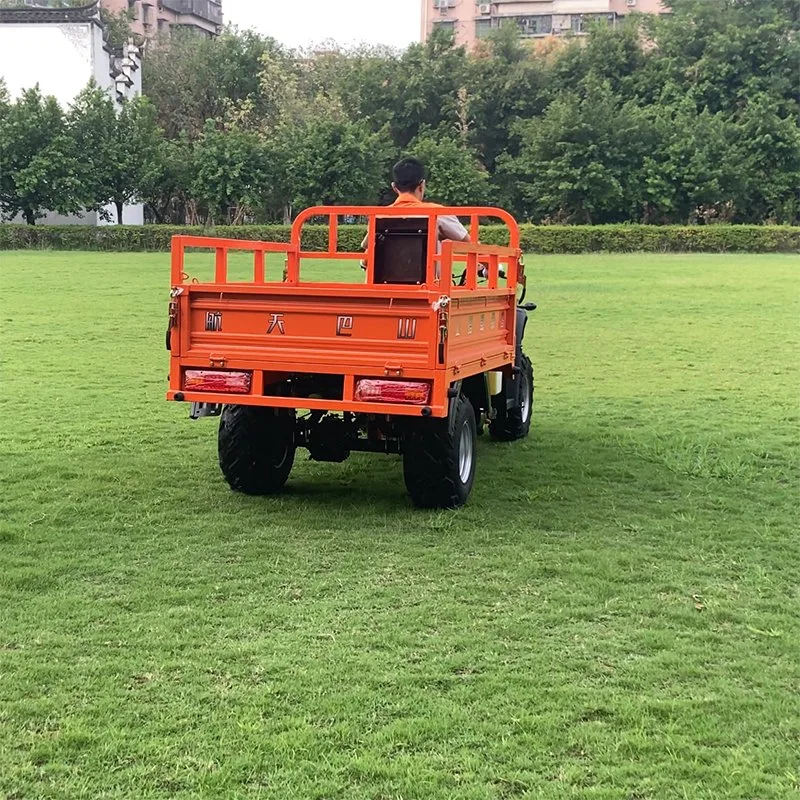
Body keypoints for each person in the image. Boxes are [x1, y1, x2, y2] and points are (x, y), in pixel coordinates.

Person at [360, 157, 471, 271]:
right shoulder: (438, 214)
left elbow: (367, 246)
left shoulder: (379, 216)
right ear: (422, 185)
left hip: (384, 286)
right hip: (428, 286)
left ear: (394, 187)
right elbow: (470, 245)